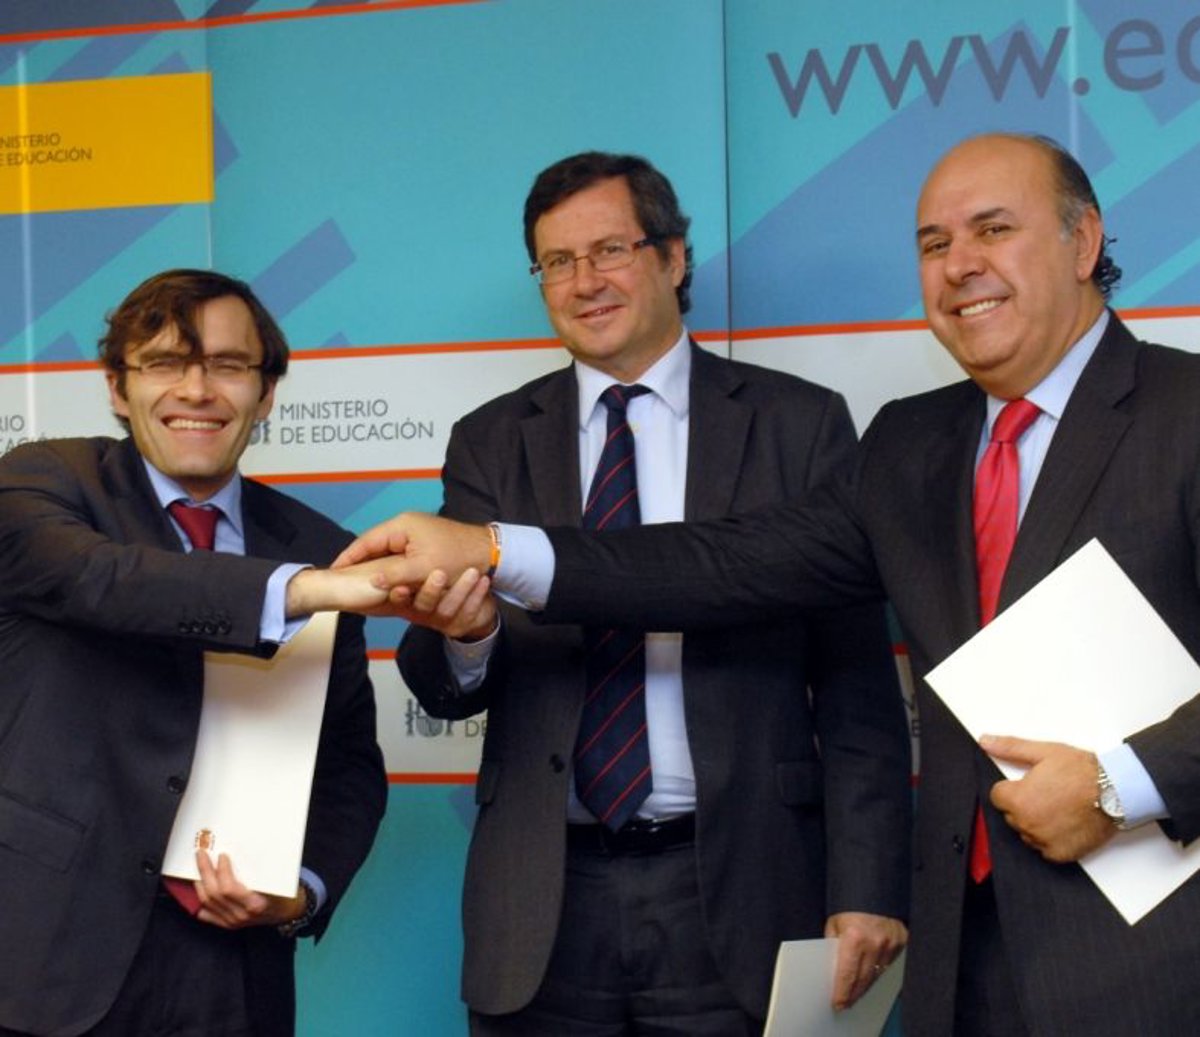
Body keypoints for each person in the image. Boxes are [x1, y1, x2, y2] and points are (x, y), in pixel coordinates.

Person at [339, 132, 1200, 1035]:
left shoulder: (1183, 411)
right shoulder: (911, 442)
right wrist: (493, 549)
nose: (959, 266)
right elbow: (722, 566)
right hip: (964, 956)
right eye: (934, 243)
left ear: (1083, 240)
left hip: (1156, 955)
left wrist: (1118, 783)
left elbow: (853, 680)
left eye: (993, 229)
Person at [393, 152, 911, 1035]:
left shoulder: (798, 424)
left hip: (744, 888)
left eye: (610, 250)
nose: (583, 281)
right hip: (543, 902)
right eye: (557, 262)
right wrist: (467, 637)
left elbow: (857, 681)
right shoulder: (491, 440)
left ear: (673, 258)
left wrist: (866, 886)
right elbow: (438, 681)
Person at [0, 269, 399, 1037]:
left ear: (266, 392)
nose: (196, 389)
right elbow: (106, 581)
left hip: (234, 973)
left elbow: (348, 761)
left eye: (227, 364)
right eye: (163, 363)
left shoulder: (321, 546)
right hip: (45, 955)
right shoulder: (41, 482)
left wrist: (302, 890)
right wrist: (299, 591)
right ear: (117, 387)